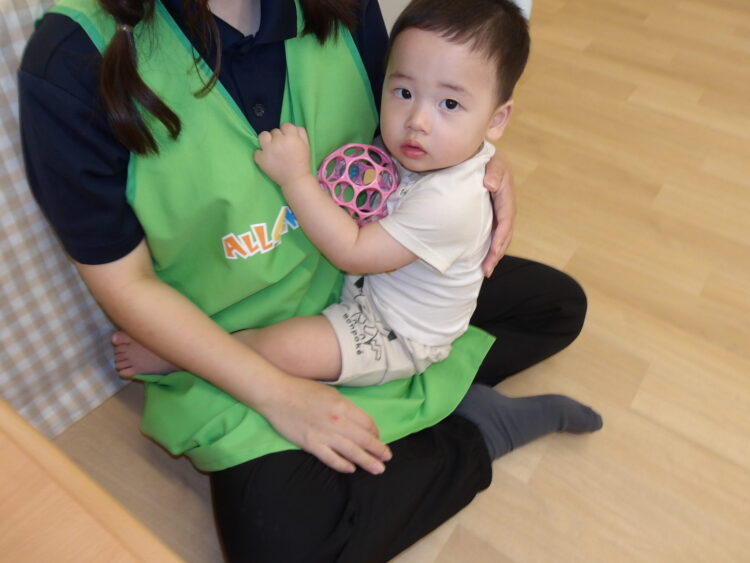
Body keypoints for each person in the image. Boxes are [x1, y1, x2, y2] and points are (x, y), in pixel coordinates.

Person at [19, 0, 600, 560]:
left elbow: (415, 117)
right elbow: (125, 282)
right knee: (281, 543)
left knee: (556, 306)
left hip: (369, 285)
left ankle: (398, 395)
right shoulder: (72, 58)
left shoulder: (342, 6)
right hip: (231, 336)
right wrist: (278, 395)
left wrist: (479, 160)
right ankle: (475, 428)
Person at [114, 0, 526, 391]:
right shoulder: (433, 151)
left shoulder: (451, 204)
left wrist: (296, 179)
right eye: (403, 92)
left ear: (497, 119)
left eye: (449, 103)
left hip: (393, 333)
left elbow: (352, 251)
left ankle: (178, 357)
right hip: (367, 293)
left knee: (279, 350)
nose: (417, 120)